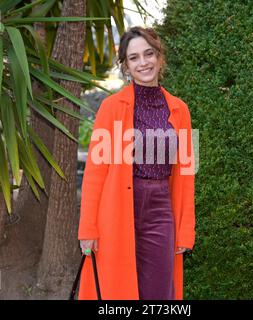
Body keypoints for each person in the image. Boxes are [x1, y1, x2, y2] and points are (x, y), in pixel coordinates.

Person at [77, 26, 196, 300]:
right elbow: (95, 173)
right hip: (117, 210)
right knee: (117, 291)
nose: (143, 63)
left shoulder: (181, 110)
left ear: (159, 57)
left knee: (158, 292)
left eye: (148, 54)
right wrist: (88, 229)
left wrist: (186, 230)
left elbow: (188, 174)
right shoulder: (110, 107)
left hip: (161, 211)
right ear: (125, 66)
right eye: (134, 58)